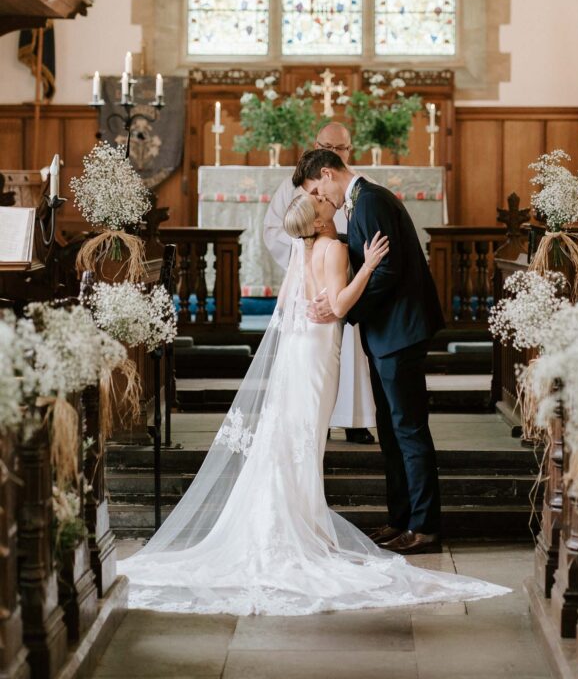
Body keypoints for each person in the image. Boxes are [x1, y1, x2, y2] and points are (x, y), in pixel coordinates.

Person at [118, 191, 508, 614]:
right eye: (321, 204)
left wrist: (315, 299)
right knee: (306, 438)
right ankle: (303, 526)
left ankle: (296, 519)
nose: (326, 202)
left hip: (299, 351)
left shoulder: (303, 250)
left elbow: (288, 303)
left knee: (294, 434)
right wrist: (370, 266)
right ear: (319, 221)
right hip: (320, 354)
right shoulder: (336, 248)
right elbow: (339, 305)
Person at [295, 148, 445, 556]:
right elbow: (365, 257)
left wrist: (344, 308)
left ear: (327, 174)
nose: (317, 199)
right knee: (392, 432)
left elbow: (388, 270)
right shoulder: (358, 205)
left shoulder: (372, 200)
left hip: (400, 330)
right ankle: (401, 519)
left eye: (315, 189)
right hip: (386, 333)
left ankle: (425, 526)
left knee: (409, 430)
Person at [263, 121, 376, 444]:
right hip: (317, 291)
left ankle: (355, 420)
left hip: (347, 279)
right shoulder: (295, 185)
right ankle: (316, 422)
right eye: (325, 147)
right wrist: (309, 260)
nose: (331, 153)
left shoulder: (360, 186)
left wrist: (348, 264)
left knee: (350, 354)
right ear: (315, 145)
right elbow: (276, 231)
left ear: (348, 151)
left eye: (338, 149)